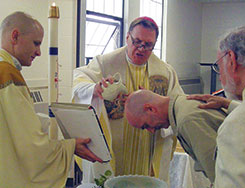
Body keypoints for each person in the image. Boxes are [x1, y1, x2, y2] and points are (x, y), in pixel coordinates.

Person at [72, 16, 184, 183]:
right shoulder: (104, 64)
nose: (140, 49)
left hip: (147, 152)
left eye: (148, 45)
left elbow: (178, 106)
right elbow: (77, 80)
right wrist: (94, 89)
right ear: (127, 37)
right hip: (115, 151)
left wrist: (158, 102)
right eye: (136, 41)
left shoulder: (165, 72)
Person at [0, 11, 102, 188]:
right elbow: (31, 148)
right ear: (15, 36)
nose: (39, 52)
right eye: (36, 43)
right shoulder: (7, 73)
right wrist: (69, 147)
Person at [187, 25, 245, 187]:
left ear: (231, 60)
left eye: (218, 66)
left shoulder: (236, 126)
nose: (220, 76)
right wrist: (229, 104)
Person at [124, 89, 227, 184]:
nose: (151, 130)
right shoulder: (182, 104)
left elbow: (220, 175)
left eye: (146, 126)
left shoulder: (187, 121)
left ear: (150, 109)